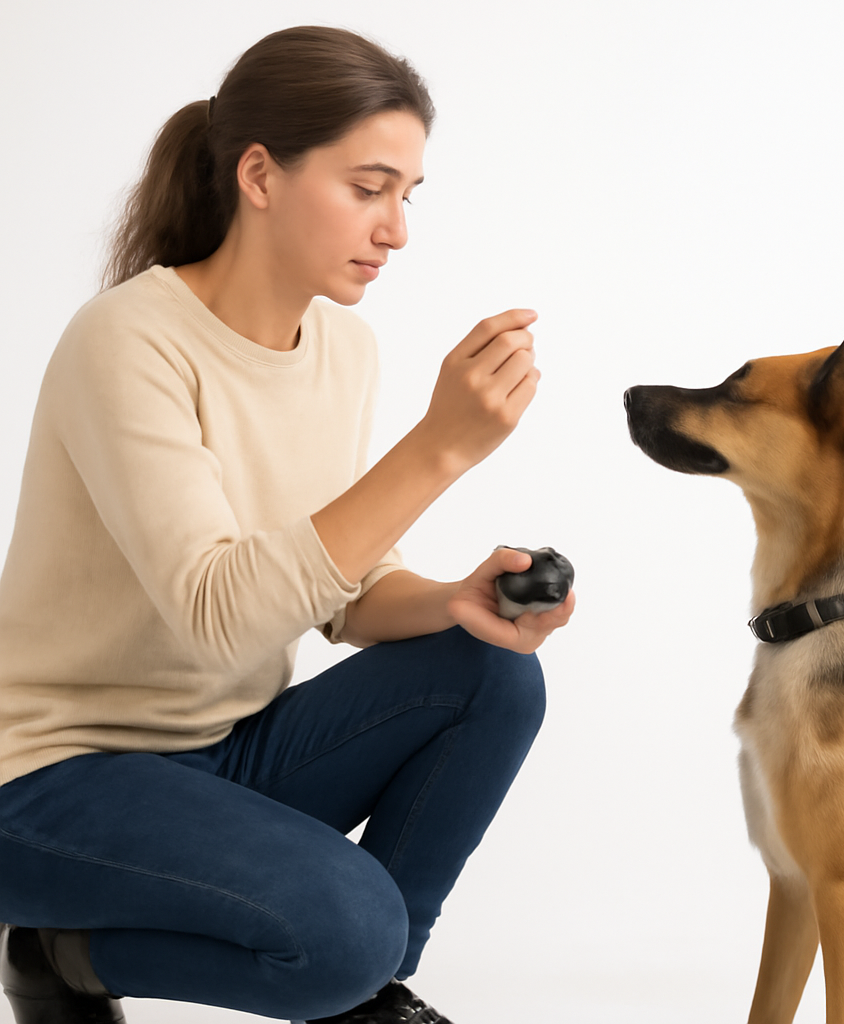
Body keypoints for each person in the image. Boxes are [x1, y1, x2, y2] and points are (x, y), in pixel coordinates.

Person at [0, 25, 573, 1024]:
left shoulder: (341, 348)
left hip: (220, 751)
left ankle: (364, 993)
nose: (396, 228)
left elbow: (337, 586)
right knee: (345, 927)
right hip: (48, 782)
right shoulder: (128, 343)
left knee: (491, 669)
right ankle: (76, 949)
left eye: (407, 194)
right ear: (259, 175)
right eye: (368, 187)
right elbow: (219, 613)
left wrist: (451, 600)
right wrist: (437, 449)